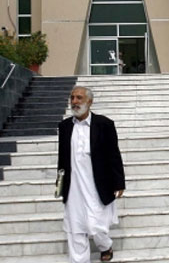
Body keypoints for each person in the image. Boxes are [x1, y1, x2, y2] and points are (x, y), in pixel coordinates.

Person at [57, 86, 125, 263]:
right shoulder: (64, 127)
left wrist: (119, 182)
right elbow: (62, 158)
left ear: (89, 102)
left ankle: (105, 245)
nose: (74, 102)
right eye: (72, 98)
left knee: (97, 226)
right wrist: (60, 182)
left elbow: (113, 154)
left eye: (79, 98)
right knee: (76, 227)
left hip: (97, 184)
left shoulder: (104, 124)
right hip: (74, 186)